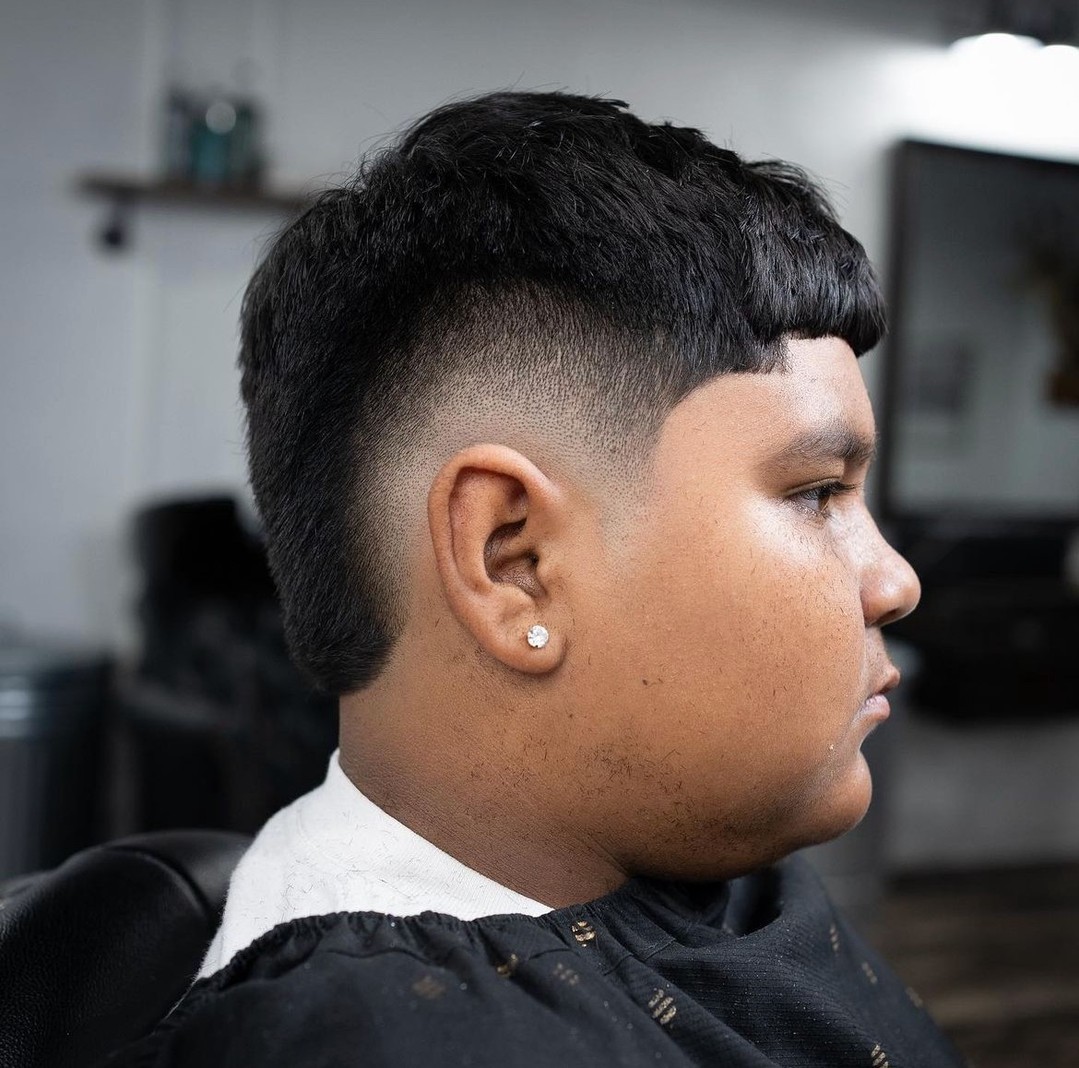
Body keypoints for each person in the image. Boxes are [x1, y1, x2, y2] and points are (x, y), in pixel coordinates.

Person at [107, 91, 966, 1066]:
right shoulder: (388, 1041)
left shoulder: (700, 854)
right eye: (815, 492)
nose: (894, 582)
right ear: (512, 562)